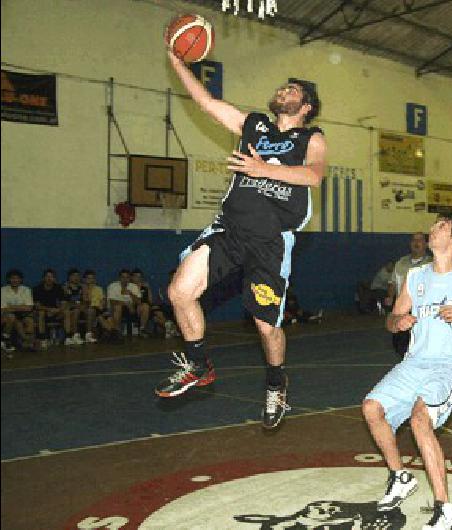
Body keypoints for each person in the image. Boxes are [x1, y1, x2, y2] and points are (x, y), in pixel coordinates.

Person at [154, 33, 327, 432]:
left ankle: (275, 383)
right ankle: (198, 366)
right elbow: (207, 103)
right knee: (179, 292)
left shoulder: (309, 137)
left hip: (270, 240)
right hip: (229, 230)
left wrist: (263, 169)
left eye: (292, 90)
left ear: (306, 107)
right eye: (283, 87)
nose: (283, 91)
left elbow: (314, 176)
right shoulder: (254, 125)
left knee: (266, 326)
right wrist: (178, 62)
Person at [362, 213, 452, 530]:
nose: (432, 229)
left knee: (419, 421)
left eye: (441, 226)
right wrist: (397, 323)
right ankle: (400, 477)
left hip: (450, 365)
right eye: (434, 225)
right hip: (414, 361)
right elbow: (392, 319)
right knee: (372, 409)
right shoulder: (415, 277)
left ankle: (444, 510)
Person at [386, 233, 432, 355]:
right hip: (402, 308)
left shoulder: (431, 264)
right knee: (400, 344)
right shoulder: (401, 263)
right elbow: (393, 282)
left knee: (420, 344)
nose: (416, 243)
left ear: (426, 244)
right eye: (413, 240)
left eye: (420, 240)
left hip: (422, 309)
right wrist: (390, 297)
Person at [1, 269, 36, 353]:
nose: (15, 280)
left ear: (21, 280)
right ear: (8, 279)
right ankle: (6, 340)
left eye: (17, 278)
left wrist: (13, 306)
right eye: (13, 278)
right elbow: (3, 308)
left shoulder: (26, 290)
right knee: (12, 318)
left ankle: (27, 343)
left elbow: (29, 308)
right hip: (7, 315)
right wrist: (21, 307)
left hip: (24, 315)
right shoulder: (3, 290)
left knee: (29, 321)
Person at [33, 269, 68, 347]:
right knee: (41, 313)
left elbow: (63, 303)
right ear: (43, 278)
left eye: (51, 277)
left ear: (55, 279)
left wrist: (58, 310)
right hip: (43, 312)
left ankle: (68, 337)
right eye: (47, 276)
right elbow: (37, 306)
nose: (49, 278)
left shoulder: (59, 288)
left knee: (66, 312)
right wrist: (49, 310)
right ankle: (43, 338)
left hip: (56, 312)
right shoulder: (37, 289)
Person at [82, 270, 117, 343]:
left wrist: (102, 307)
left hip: (99, 308)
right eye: (88, 278)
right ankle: (113, 334)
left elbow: (103, 300)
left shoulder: (99, 288)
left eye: (92, 278)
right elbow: (86, 301)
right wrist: (88, 291)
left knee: (109, 317)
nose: (91, 280)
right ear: (84, 279)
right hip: (89, 308)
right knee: (99, 316)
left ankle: (112, 333)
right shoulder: (83, 289)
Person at [107, 269, 141, 335]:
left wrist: (130, 294)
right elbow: (112, 302)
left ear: (130, 278)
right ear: (119, 278)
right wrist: (126, 304)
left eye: (127, 277)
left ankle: (142, 329)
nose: (125, 279)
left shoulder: (134, 287)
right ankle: (117, 332)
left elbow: (139, 301)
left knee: (143, 307)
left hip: (131, 309)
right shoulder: (113, 286)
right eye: (123, 277)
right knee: (118, 307)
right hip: (114, 308)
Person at [62, 268, 89, 345]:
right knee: (74, 311)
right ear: (69, 277)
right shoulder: (65, 287)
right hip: (68, 309)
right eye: (73, 276)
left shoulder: (83, 287)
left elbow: (86, 301)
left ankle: (88, 334)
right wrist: (75, 305)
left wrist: (83, 305)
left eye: (78, 276)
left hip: (80, 308)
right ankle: (73, 335)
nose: (76, 278)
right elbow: (64, 303)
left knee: (90, 310)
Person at [131, 268, 154, 337]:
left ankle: (142, 329)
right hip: (133, 306)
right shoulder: (129, 286)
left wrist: (148, 289)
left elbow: (150, 300)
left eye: (140, 277)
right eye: (136, 276)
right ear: (132, 277)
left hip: (145, 306)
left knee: (155, 310)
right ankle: (142, 329)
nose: (138, 278)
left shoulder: (144, 286)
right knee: (145, 306)